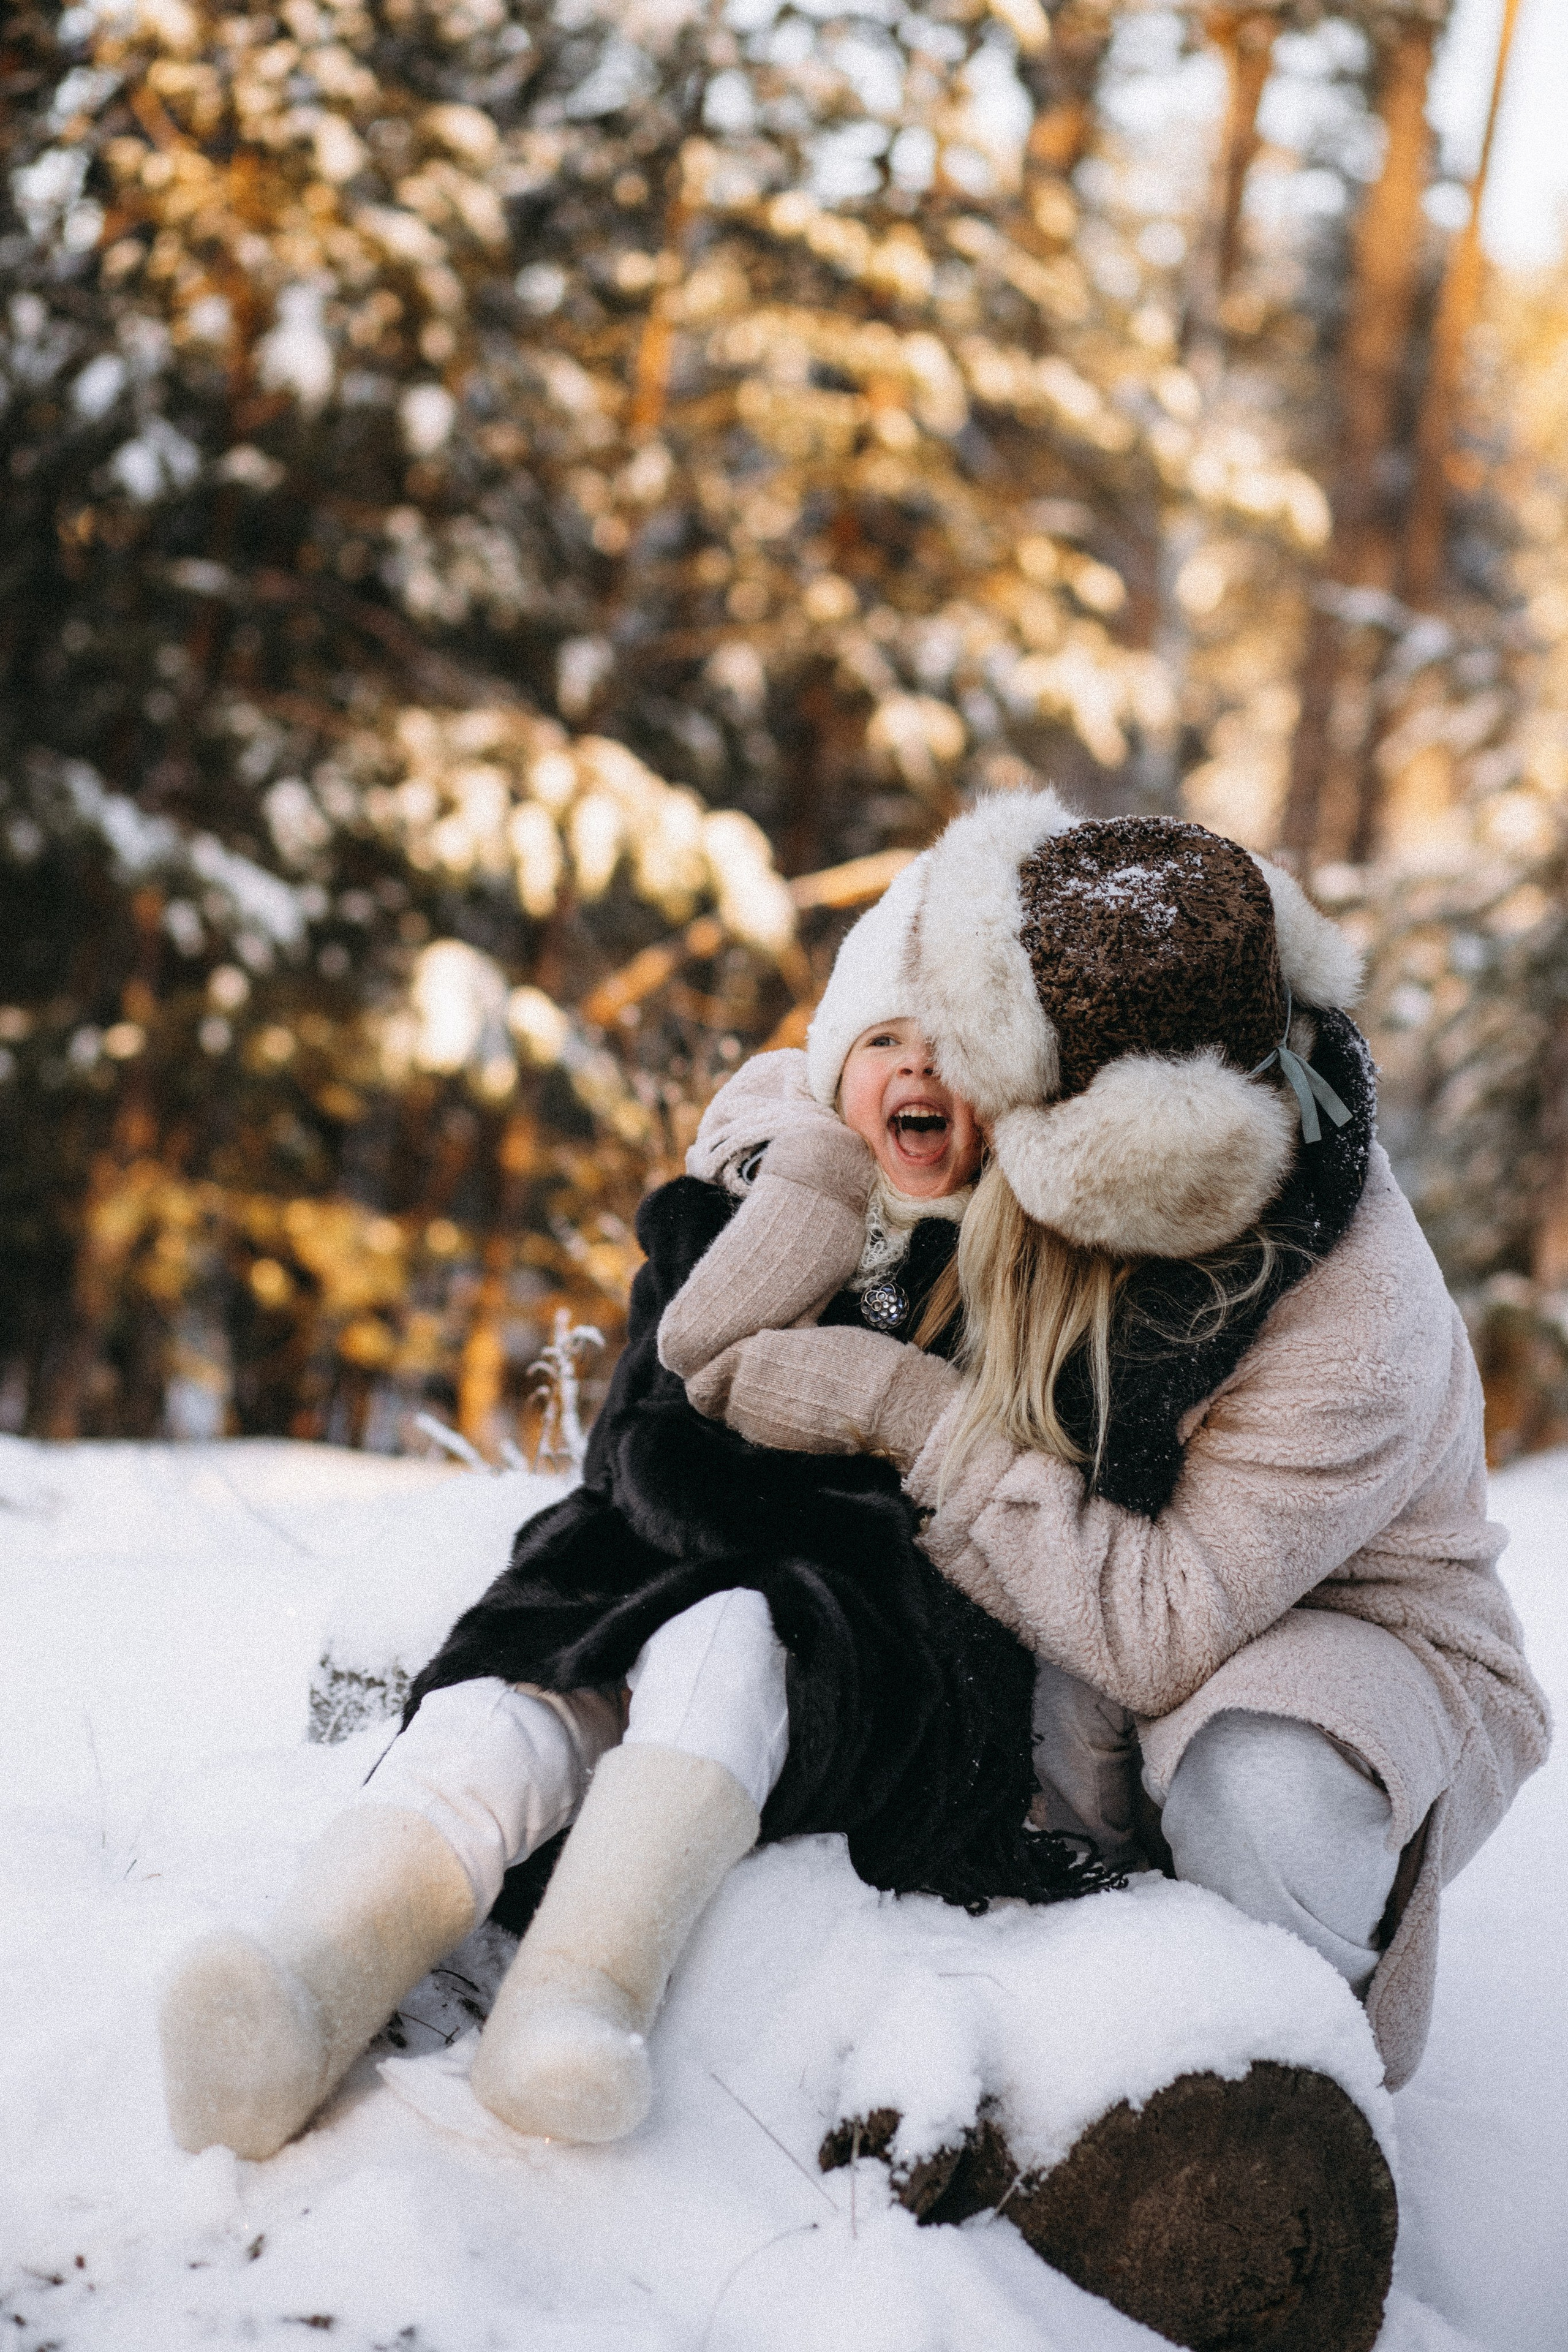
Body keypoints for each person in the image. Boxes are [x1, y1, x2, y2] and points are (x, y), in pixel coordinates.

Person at [159, 856, 1109, 2163]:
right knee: (510, 1709)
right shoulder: (727, 1215)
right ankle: (300, 1990)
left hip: (846, 1632)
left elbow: (979, 1487)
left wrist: (814, 1464)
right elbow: (643, 1439)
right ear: (833, 1068)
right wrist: (803, 1207)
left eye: (955, 1050)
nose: (919, 1070)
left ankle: (575, 2005)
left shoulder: (1012, 1279)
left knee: (724, 1641)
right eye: (885, 1041)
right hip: (629, 1567)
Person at [687, 793, 1549, 2098]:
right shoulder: (1076, 981)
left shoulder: (1356, 1318)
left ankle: (1272, 2095)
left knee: (1254, 1787)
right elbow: (821, 1073)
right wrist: (797, 1162)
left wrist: (906, 1411)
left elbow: (1158, 1627)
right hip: (1085, 1550)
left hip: (1332, 1632)